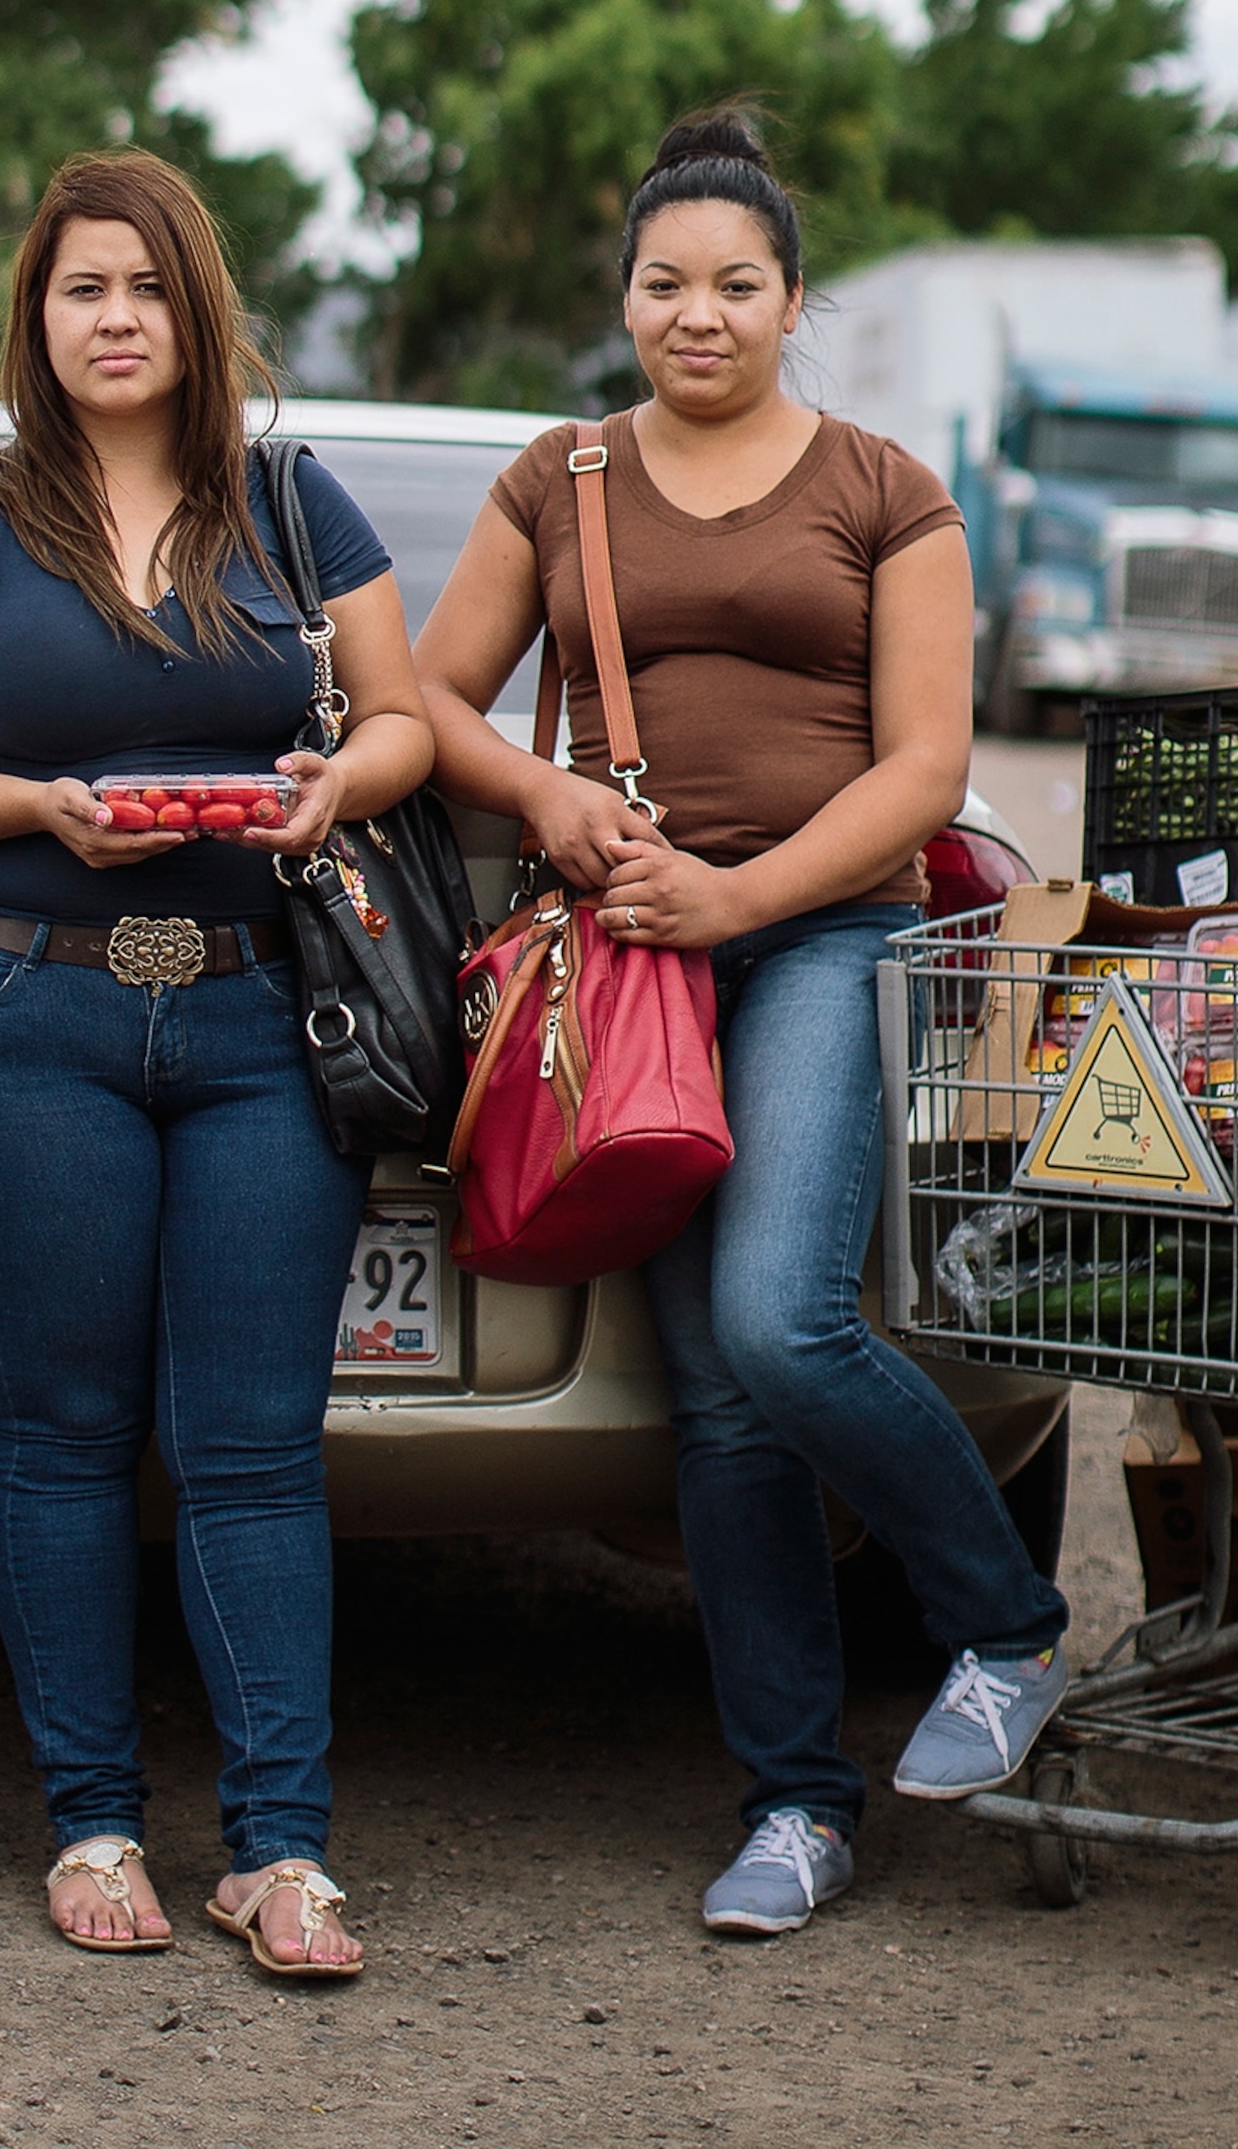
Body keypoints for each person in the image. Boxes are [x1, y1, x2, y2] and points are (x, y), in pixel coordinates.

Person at [413, 109, 1069, 1940]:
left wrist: (745, 895)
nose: (695, 316)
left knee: (783, 1324)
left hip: (816, 942)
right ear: (624, 295)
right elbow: (434, 698)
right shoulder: (564, 480)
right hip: (625, 968)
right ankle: (796, 1801)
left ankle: (1010, 1628)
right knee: (713, 1404)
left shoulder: (883, 488)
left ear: (791, 303)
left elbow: (928, 769)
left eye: (736, 285)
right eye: (662, 284)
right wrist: (548, 807)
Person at [0, 150, 433, 1979]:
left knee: (255, 1450)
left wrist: (344, 779)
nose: (114, 319)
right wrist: (34, 802)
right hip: (31, 1018)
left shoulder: (288, 500)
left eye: (147, 289)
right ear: (38, 313)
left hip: (267, 1016)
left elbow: (403, 713)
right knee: (72, 1440)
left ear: (198, 314)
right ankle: (91, 1825)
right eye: (80, 288)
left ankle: (278, 1851)